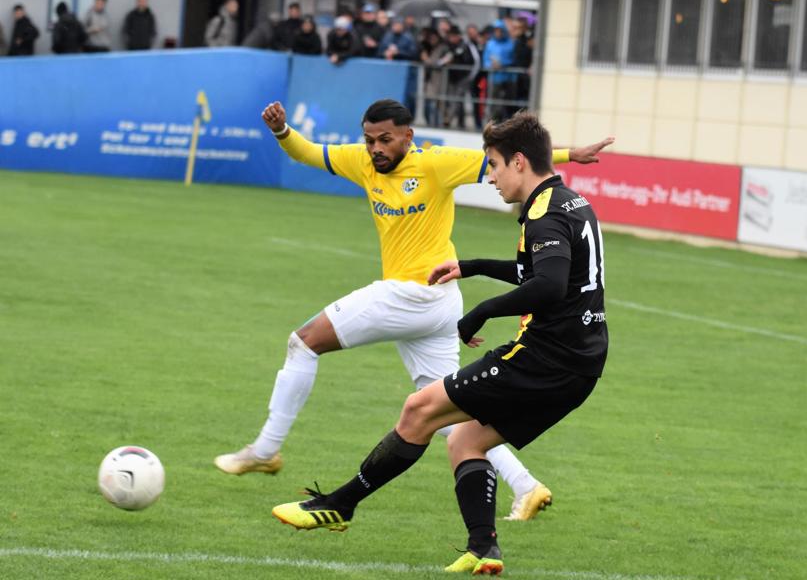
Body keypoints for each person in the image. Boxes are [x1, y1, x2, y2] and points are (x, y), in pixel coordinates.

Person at [215, 98, 613, 524]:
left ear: (408, 136)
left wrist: (571, 154)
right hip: (442, 299)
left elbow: (518, 160)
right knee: (444, 411)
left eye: (385, 139)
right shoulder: (362, 162)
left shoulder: (437, 164)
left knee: (304, 341)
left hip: (413, 294)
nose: (375, 148)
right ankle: (526, 486)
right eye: (369, 140)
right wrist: (282, 132)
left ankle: (266, 449)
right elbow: (308, 152)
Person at [443, 25, 480, 128]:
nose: (451, 39)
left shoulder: (467, 45)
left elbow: (476, 61)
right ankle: (461, 123)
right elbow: (444, 59)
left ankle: (448, 119)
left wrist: (470, 77)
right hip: (453, 78)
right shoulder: (449, 46)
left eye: (453, 36)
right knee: (458, 101)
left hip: (465, 78)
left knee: (457, 99)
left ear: (458, 36)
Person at [482, 20, 515, 122]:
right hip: (494, 77)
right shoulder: (490, 44)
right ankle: (492, 122)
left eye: (500, 31)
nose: (498, 33)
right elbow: (485, 60)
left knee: (507, 102)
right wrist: (491, 65)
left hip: (508, 78)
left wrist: (502, 64)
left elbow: (513, 59)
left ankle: (506, 121)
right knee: (493, 101)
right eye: (496, 31)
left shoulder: (510, 44)